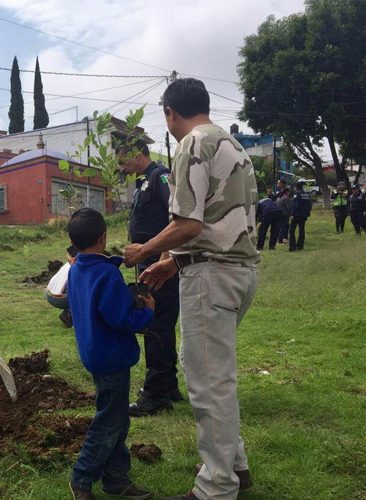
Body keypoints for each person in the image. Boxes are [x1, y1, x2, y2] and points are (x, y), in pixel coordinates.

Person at [124, 78, 258, 500]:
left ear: (169, 114)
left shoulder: (191, 144)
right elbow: (220, 222)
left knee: (207, 381)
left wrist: (144, 249)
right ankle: (234, 464)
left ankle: (216, 487)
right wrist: (171, 262)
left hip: (213, 276)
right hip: (238, 272)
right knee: (218, 375)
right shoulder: (232, 145)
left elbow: (189, 223)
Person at [66, 208, 154, 500]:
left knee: (117, 418)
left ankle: (116, 479)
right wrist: (147, 314)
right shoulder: (107, 274)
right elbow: (121, 319)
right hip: (111, 357)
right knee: (110, 420)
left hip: (95, 353)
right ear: (103, 237)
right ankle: (81, 477)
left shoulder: (77, 267)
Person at [120, 139, 182, 417]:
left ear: (137, 154)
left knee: (155, 324)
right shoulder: (143, 182)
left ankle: (155, 395)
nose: (122, 167)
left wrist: (164, 258)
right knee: (161, 325)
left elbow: (176, 216)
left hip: (159, 262)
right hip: (147, 259)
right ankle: (168, 386)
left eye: (124, 161)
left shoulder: (160, 176)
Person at [45, 245, 78, 328]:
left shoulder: (71, 262)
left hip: (48, 293)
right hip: (58, 297)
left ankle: (67, 314)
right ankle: (72, 317)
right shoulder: (77, 265)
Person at [289, 181, 312, 251]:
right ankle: (300, 246)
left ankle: (292, 247)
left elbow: (295, 205)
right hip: (304, 215)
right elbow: (310, 205)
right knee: (301, 230)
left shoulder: (297, 194)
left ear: (296, 187)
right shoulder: (306, 194)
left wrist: (292, 214)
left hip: (296, 215)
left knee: (292, 231)